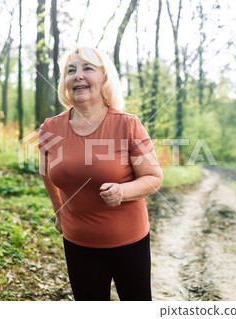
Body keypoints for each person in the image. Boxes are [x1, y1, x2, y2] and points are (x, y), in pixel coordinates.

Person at [38, 46, 163, 301]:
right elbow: (45, 172)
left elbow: (154, 177)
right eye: (71, 71)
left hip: (128, 242)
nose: (78, 76)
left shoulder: (128, 125)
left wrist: (123, 191)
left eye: (87, 68)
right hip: (78, 243)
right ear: (65, 82)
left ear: (104, 78)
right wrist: (59, 210)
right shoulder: (51, 128)